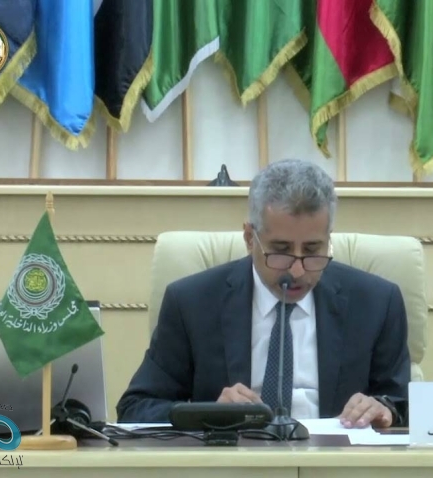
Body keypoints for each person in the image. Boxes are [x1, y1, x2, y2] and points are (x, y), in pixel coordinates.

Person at [116, 159, 411, 428]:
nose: (297, 270)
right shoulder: (192, 303)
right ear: (250, 238)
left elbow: (405, 405)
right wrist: (208, 413)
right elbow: (136, 408)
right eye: (281, 250)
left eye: (312, 250)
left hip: (337, 461)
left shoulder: (376, 303)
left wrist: (385, 409)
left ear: (328, 239)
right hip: (236, 460)